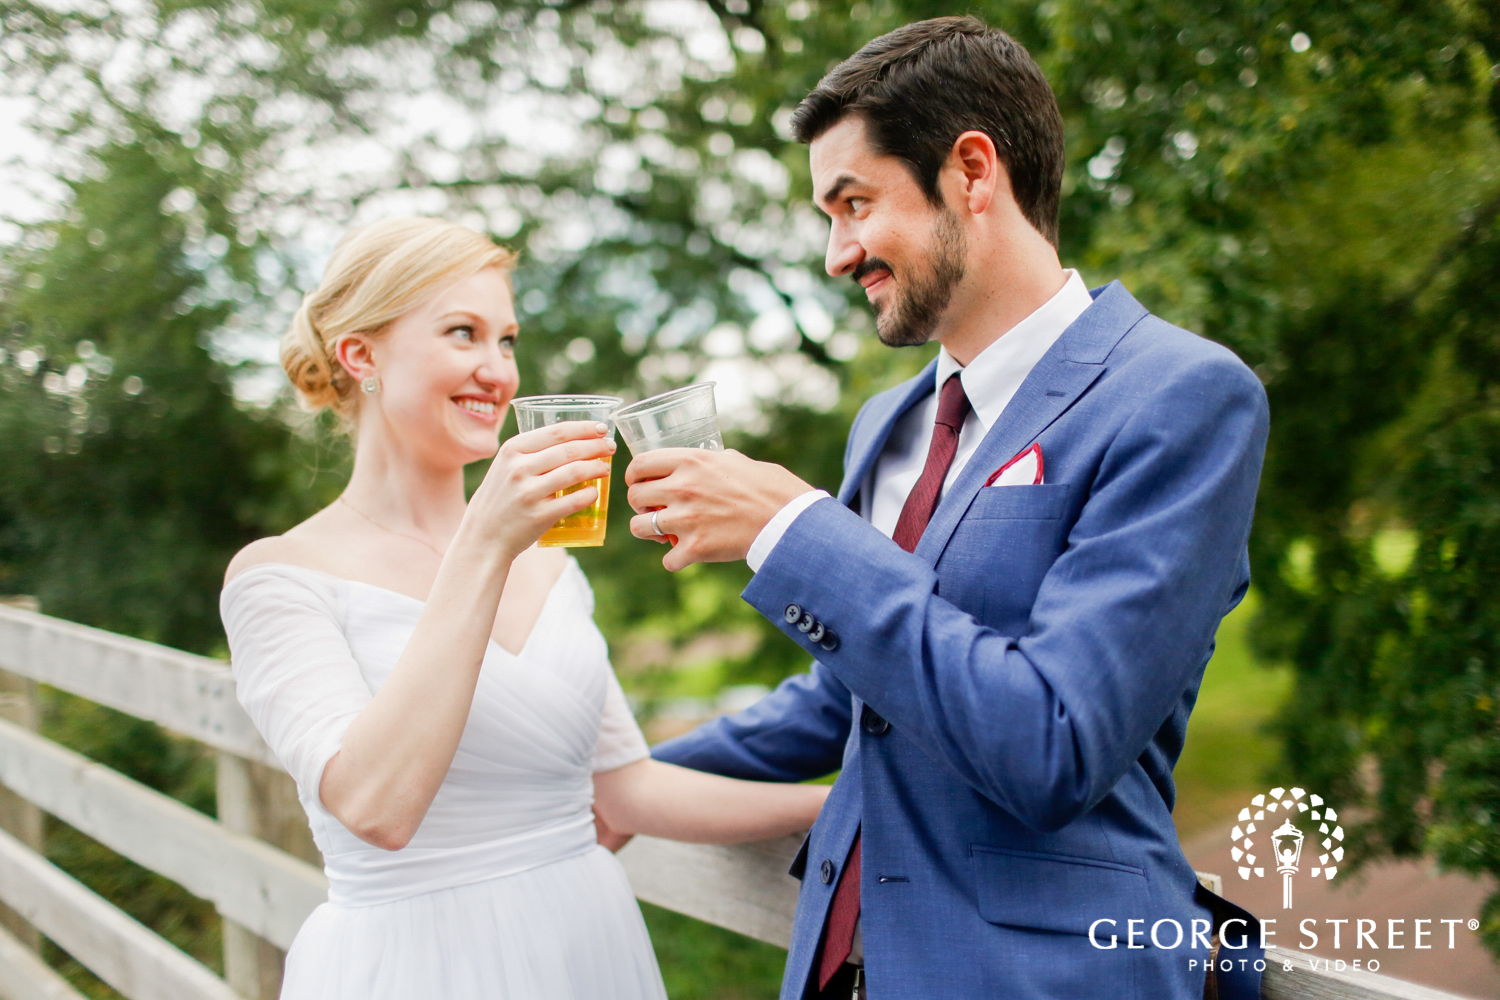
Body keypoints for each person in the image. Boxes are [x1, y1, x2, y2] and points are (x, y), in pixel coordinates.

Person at [628, 17, 1268, 1000]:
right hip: (840, 967)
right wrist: (614, 776)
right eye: (826, 216)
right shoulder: (886, 423)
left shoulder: (1181, 397)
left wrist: (791, 531)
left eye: (855, 203)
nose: (838, 254)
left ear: (973, 171)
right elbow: (847, 701)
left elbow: (1054, 741)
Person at [220, 217, 828, 1000]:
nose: (496, 371)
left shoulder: (555, 566)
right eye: (462, 333)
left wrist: (847, 803)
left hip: (588, 946)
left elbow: (627, 789)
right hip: (418, 968)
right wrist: (485, 543)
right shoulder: (280, 578)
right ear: (361, 355)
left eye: (506, 341)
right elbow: (376, 808)